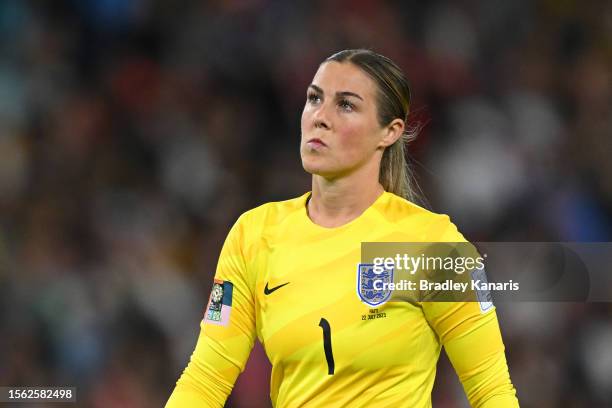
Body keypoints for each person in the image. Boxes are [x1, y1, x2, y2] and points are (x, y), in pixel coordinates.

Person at [165, 49, 519, 407]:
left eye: (346, 105)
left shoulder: (433, 246)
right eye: (314, 98)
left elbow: (492, 392)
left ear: (389, 131)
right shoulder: (254, 235)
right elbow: (204, 382)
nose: (320, 117)